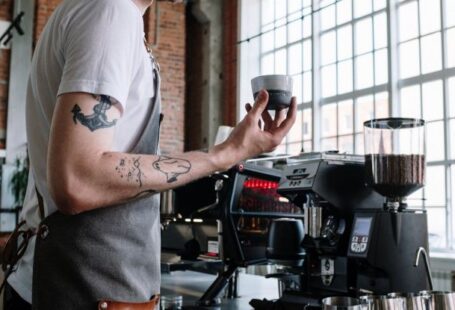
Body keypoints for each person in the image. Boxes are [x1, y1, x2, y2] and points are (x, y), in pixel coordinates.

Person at [4, 0, 296, 309]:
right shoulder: (110, 13)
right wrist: (223, 154)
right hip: (82, 290)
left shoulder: (104, 14)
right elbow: (77, 179)